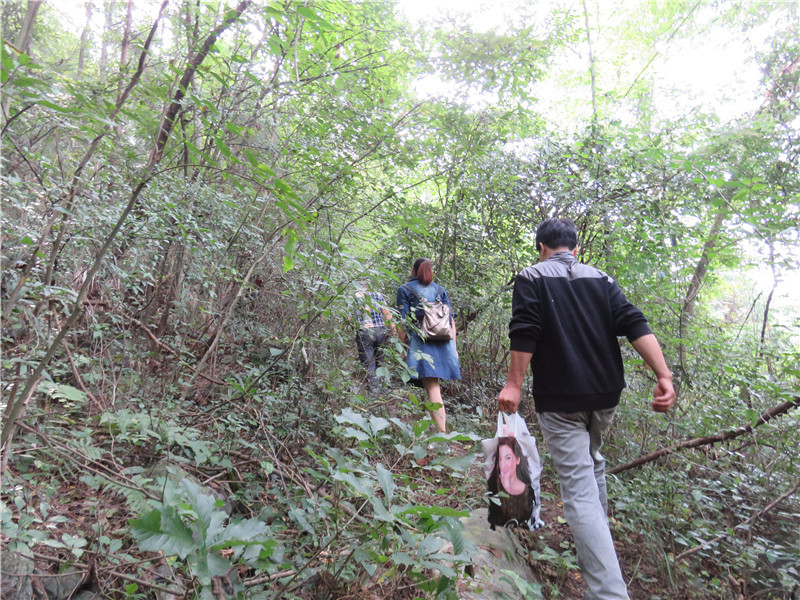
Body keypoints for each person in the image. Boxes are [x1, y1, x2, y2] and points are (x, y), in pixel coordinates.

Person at [497, 217, 676, 600]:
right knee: (593, 461)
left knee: (578, 490)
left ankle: (608, 593)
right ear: (575, 249)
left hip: (561, 398)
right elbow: (634, 322)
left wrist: (513, 383)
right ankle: (600, 551)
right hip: (606, 394)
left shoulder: (532, 276)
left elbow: (525, 329)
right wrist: (664, 375)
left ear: (541, 248)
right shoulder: (601, 278)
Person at [397, 258, 461, 433]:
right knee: (433, 387)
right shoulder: (440, 290)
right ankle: (438, 432)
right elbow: (450, 321)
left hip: (422, 344)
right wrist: (454, 348)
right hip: (444, 344)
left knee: (433, 388)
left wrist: (402, 348)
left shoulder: (405, 289)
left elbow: (403, 322)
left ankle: (442, 436)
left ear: (413, 269)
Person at [353, 281, 395, 395]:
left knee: (369, 365)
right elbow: (386, 313)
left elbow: (349, 317)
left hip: (365, 332)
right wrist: (393, 328)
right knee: (381, 362)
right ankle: (384, 390)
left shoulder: (355, 296)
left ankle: (374, 393)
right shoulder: (378, 295)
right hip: (381, 331)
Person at [487, 436, 535, 529]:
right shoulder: (493, 485)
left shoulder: (529, 489)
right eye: (500, 459)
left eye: (508, 458)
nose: (503, 465)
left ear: (517, 459)